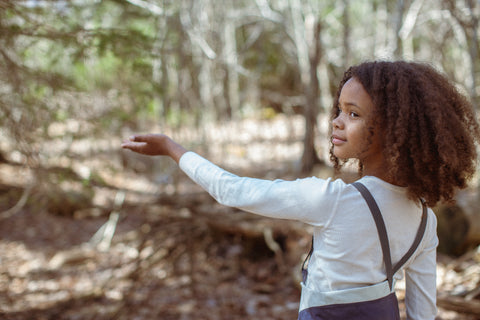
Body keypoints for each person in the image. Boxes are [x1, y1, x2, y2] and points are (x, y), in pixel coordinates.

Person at [121, 61, 480, 319]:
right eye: (339, 110)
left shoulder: (332, 200)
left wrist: (173, 149)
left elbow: (231, 190)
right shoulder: (423, 220)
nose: (337, 121)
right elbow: (422, 312)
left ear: (394, 130)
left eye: (354, 114)